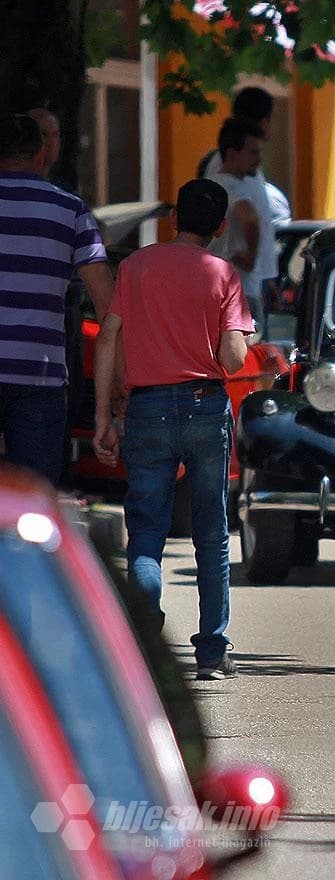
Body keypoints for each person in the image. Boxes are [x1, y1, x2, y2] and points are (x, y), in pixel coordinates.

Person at [92, 178, 255, 681]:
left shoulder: (135, 267)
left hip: (146, 408)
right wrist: (246, 343)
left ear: (173, 219)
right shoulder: (222, 273)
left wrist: (104, 414)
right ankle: (211, 652)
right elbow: (232, 358)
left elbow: (108, 339)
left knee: (145, 533)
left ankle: (143, 638)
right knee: (211, 534)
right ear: (222, 227)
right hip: (206, 406)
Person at [0, 114, 113, 486]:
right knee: (34, 498)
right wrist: (118, 379)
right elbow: (106, 302)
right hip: (40, 376)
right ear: (41, 153)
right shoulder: (70, 210)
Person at [206, 116, 269, 335]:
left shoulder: (211, 183)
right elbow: (249, 217)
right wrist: (250, 257)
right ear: (232, 153)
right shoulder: (232, 186)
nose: (259, 159)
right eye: (252, 152)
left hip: (216, 288)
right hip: (240, 290)